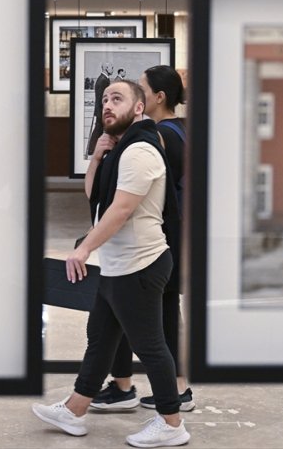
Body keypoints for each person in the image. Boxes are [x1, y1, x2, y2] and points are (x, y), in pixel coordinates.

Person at [32, 79, 189, 448]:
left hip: (139, 265)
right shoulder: (121, 150)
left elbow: (120, 210)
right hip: (120, 265)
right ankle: (74, 410)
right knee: (101, 340)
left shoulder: (139, 152)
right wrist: (98, 157)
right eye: (104, 99)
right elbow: (97, 197)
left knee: (150, 346)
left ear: (138, 108)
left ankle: (172, 422)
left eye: (117, 98)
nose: (107, 104)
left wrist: (84, 249)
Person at [89, 65, 193, 413]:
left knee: (149, 320)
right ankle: (143, 387)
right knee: (150, 314)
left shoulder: (154, 137)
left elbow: (120, 201)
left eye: (142, 90)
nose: (137, 95)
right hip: (168, 234)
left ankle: (159, 393)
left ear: (157, 98)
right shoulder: (178, 129)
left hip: (155, 240)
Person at [86, 62, 114, 156]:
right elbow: (102, 98)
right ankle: (91, 150)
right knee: (99, 129)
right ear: (106, 68)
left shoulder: (103, 79)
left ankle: (92, 149)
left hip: (100, 110)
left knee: (99, 129)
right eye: (111, 67)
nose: (112, 69)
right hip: (101, 110)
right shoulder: (103, 80)